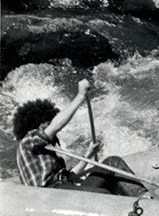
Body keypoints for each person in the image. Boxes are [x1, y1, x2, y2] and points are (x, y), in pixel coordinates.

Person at [13, 79, 146, 196]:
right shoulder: (28, 140)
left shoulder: (42, 150)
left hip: (65, 191)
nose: (50, 125)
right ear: (38, 124)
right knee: (104, 196)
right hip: (51, 195)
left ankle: (145, 201)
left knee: (113, 162)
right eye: (47, 122)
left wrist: (89, 155)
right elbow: (56, 125)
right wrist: (81, 95)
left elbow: (70, 177)